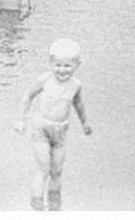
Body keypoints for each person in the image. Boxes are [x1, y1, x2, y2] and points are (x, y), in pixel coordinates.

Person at [14, 38, 92, 211]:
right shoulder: (44, 80)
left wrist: (84, 123)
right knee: (43, 168)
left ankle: (56, 206)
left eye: (67, 66)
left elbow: (78, 104)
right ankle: (36, 205)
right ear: (50, 63)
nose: (62, 70)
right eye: (58, 65)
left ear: (77, 64)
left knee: (57, 171)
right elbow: (28, 96)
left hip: (60, 131)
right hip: (41, 129)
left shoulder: (76, 85)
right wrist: (21, 120)